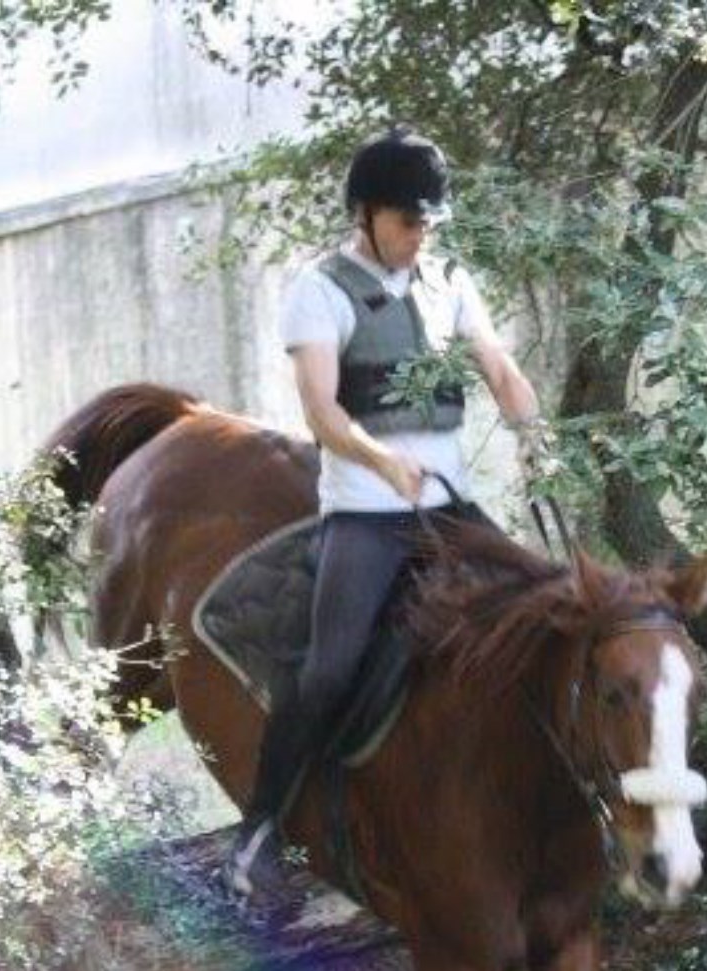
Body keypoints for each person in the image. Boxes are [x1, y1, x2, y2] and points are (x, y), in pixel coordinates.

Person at [226, 126, 545, 897]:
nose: (419, 234)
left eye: (429, 222)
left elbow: (496, 363)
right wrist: (381, 461)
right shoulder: (320, 291)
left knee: (545, 613)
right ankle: (260, 829)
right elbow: (322, 412)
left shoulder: (449, 279)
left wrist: (531, 425)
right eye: (407, 221)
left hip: (449, 510)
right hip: (365, 515)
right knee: (330, 667)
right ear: (365, 215)